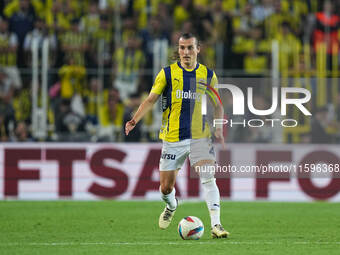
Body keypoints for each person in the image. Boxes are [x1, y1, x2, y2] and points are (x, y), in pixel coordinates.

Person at [125, 33, 229, 238]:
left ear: (198, 49)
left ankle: (216, 225)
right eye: (182, 48)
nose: (186, 52)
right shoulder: (167, 74)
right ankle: (172, 206)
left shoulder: (208, 75)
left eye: (190, 48)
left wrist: (217, 127)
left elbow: (218, 105)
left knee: (208, 178)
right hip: (173, 138)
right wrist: (134, 120)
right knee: (165, 188)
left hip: (200, 136)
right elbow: (150, 100)